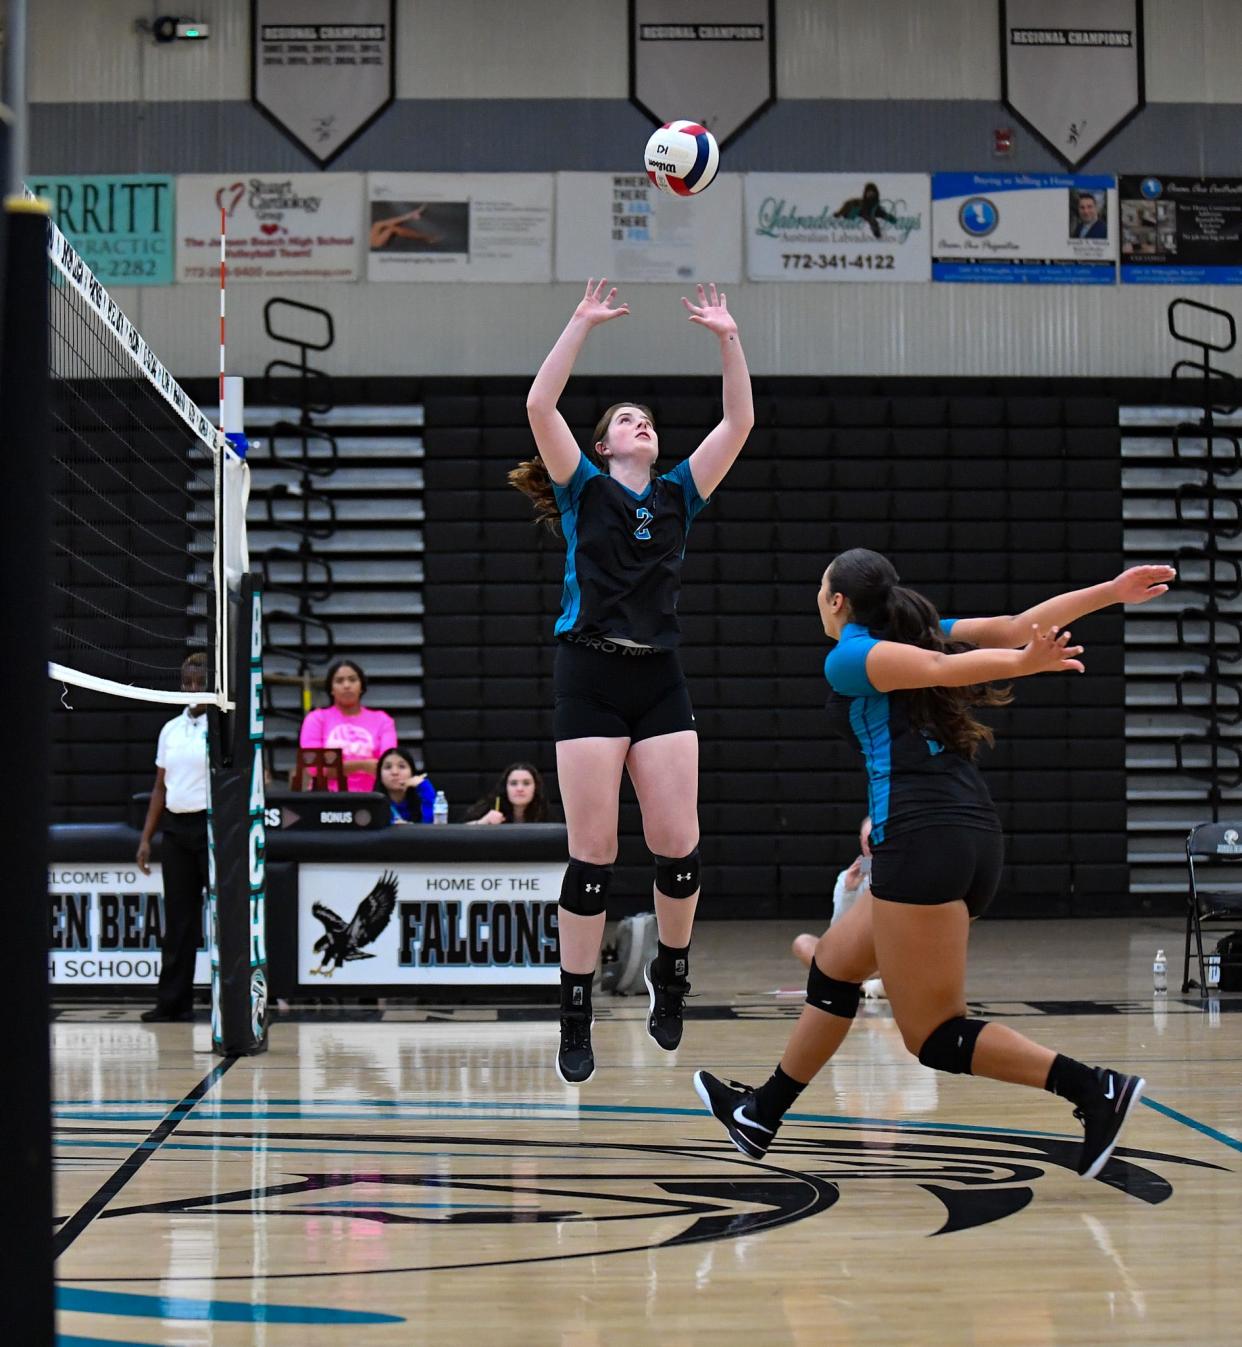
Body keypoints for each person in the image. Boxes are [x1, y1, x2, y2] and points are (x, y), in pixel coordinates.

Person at [695, 550, 1176, 1180]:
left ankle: (1094, 1090)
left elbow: (957, 661)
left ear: (838, 601)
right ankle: (762, 1113)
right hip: (963, 833)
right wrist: (1110, 592)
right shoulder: (911, 633)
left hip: (923, 838)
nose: (818, 598)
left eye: (821, 589)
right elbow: (1013, 625)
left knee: (933, 1036)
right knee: (836, 966)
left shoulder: (851, 656)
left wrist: (1025, 661)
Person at [513, 277, 754, 1085]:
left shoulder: (682, 491)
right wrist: (579, 323)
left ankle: (672, 975)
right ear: (607, 444)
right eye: (625, 420)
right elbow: (540, 407)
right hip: (588, 672)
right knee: (594, 854)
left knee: (677, 849)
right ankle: (575, 1007)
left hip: (659, 676)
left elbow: (741, 421)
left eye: (646, 420)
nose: (640, 424)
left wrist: (727, 335)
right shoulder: (583, 488)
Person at [135, 652, 210, 1022]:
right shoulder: (170, 729)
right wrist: (147, 838)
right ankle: (173, 1002)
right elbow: (160, 788)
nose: (193, 689)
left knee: (227, 918)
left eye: (200, 682)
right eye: (188, 682)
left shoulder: (224, 727)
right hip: (177, 831)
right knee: (179, 921)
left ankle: (236, 1000)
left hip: (213, 829)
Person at [791, 817, 885, 1000]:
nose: (872, 848)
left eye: (877, 841)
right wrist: (849, 891)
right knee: (802, 942)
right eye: (868, 842)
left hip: (887, 956)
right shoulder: (846, 878)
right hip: (855, 957)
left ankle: (851, 982)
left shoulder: (902, 875)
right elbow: (836, 933)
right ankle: (862, 984)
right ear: (861, 842)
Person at [299, 658, 397, 793]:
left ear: (361, 686)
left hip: (372, 798)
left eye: (352, 680)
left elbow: (388, 766)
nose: (346, 685)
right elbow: (315, 768)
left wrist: (337, 767)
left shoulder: (382, 720)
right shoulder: (316, 719)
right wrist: (363, 764)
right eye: (339, 681)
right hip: (326, 798)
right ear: (331, 689)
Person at [464, 761, 550, 824]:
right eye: (513, 783)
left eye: (526, 783)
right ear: (505, 787)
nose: (519, 788)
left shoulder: (545, 813)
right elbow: (460, 832)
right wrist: (483, 822)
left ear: (536, 787)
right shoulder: (489, 808)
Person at [374, 746, 437, 824]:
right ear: (380, 775)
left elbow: (431, 829)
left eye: (401, 766)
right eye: (388, 767)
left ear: (412, 773)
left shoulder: (421, 797)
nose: (394, 772)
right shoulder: (374, 804)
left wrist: (424, 787)